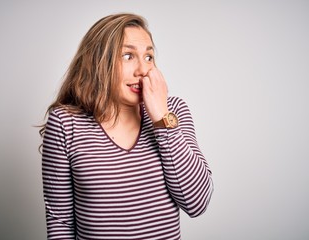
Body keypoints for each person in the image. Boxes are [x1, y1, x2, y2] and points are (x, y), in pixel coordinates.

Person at [40, 13, 213, 240]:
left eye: (149, 57)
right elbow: (60, 223)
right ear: (98, 62)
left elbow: (197, 203)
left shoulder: (173, 111)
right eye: (128, 55)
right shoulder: (65, 123)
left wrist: (161, 118)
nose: (143, 70)